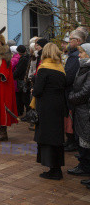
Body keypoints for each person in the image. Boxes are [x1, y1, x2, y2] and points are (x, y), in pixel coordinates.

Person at [32, 42, 66, 180]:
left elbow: (39, 90)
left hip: (46, 106)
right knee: (57, 138)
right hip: (58, 105)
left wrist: (34, 90)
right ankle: (56, 168)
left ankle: (54, 170)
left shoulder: (44, 68)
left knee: (47, 137)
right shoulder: (60, 68)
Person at [68, 42, 90, 178]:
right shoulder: (83, 67)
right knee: (82, 139)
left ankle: (85, 167)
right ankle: (83, 165)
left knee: (85, 140)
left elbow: (86, 91)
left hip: (85, 110)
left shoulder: (88, 69)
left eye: (82, 53)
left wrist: (72, 97)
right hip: (80, 109)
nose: (79, 55)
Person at [64, 29, 85, 152]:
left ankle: (73, 142)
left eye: (70, 39)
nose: (68, 42)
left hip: (73, 92)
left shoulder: (75, 56)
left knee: (72, 118)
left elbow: (70, 76)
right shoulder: (73, 54)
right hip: (72, 91)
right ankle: (71, 140)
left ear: (77, 41)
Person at [13, 45, 30, 117]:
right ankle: (21, 111)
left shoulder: (23, 59)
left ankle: (22, 112)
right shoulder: (27, 57)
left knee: (23, 97)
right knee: (23, 97)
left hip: (22, 80)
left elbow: (19, 70)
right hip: (23, 79)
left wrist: (13, 76)